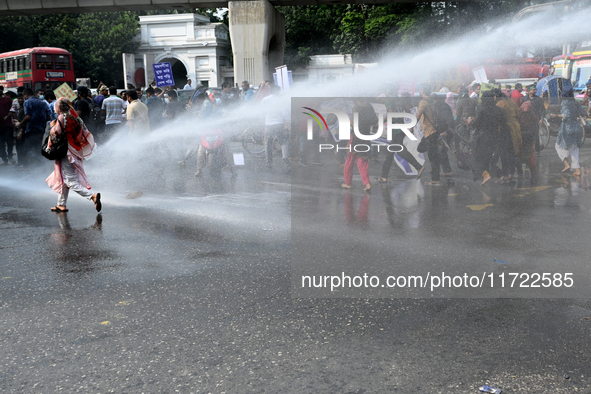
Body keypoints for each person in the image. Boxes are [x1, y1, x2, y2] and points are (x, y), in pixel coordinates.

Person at [45, 97, 101, 213]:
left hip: (66, 151)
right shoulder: (75, 117)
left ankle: (92, 196)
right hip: (75, 150)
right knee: (63, 177)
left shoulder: (62, 117)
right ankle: (61, 205)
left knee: (70, 180)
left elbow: (56, 133)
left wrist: (52, 126)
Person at [377, 95, 424, 183]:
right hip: (402, 127)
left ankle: (419, 167)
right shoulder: (400, 99)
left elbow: (390, 114)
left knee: (398, 151)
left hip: (395, 129)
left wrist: (380, 121)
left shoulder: (389, 101)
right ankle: (384, 177)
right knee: (390, 154)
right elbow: (408, 111)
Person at [468, 91, 511, 184]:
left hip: (482, 137)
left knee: (476, 157)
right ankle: (500, 175)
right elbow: (503, 123)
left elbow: (476, 123)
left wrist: (470, 122)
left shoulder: (482, 109)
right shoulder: (498, 109)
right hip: (495, 137)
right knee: (489, 158)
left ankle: (485, 174)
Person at [341, 99, 377, 191]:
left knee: (349, 160)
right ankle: (367, 183)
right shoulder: (369, 106)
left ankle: (348, 183)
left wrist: (350, 123)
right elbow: (374, 121)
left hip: (356, 137)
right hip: (365, 136)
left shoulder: (356, 108)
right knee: (362, 161)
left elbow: (355, 124)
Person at [551, 90, 586, 176]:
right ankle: (577, 169)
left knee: (558, 146)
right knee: (574, 148)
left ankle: (566, 164)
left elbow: (566, 115)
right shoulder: (575, 102)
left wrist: (556, 116)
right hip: (576, 127)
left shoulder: (565, 103)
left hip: (567, 128)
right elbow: (583, 113)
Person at [14, 88, 51, 168]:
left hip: (31, 129)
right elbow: (48, 117)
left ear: (26, 95)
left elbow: (28, 116)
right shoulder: (43, 103)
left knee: (28, 149)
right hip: (41, 129)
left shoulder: (27, 102)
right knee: (38, 148)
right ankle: (41, 166)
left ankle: (30, 167)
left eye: (24, 96)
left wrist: (19, 123)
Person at [415, 84, 441, 185]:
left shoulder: (423, 102)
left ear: (422, 90)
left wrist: (412, 127)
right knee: (422, 148)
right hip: (433, 132)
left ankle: (435, 180)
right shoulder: (432, 101)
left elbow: (418, 115)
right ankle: (435, 175)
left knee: (433, 157)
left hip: (430, 132)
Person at [493, 88, 521, 180]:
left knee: (504, 153)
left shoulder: (499, 105)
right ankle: (511, 173)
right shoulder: (512, 102)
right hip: (515, 128)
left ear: (495, 97)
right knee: (513, 151)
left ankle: (505, 174)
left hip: (505, 129)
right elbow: (518, 113)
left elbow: (497, 119)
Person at [261, 85, 290, 172]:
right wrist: (287, 122)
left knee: (268, 144)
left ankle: (268, 162)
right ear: (278, 91)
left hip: (268, 124)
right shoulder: (281, 100)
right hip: (279, 124)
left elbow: (262, 111)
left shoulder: (265, 99)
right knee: (284, 142)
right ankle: (285, 158)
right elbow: (285, 113)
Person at [518, 101, 539, 183]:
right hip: (528, 138)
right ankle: (533, 175)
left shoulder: (520, 115)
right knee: (528, 156)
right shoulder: (533, 116)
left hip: (524, 137)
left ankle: (522, 174)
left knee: (524, 156)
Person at [0, 86, 14, 165]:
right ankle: (4, 158)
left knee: (10, 142)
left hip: (8, 125)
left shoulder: (8, 99)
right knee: (1, 144)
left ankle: (10, 156)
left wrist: (8, 116)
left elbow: (12, 110)